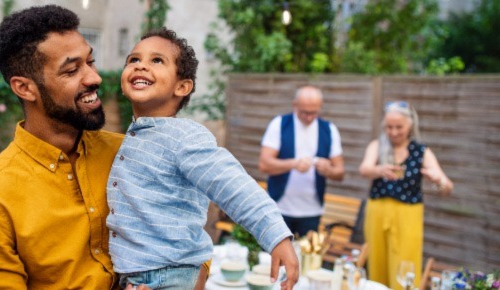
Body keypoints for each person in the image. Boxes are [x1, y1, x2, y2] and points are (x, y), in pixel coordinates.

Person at [0, 6, 207, 289]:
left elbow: (186, 229)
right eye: (72, 70)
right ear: (25, 88)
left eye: (91, 61)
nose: (94, 77)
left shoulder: (131, 152)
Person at [106, 27, 299, 290]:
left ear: (182, 86)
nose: (141, 66)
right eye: (133, 60)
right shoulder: (136, 135)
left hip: (164, 275)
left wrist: (276, 235)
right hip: (141, 275)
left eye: (157, 60)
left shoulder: (184, 137)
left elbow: (232, 185)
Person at [358, 101, 453, 289]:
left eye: (399, 127)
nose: (393, 132)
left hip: (408, 215)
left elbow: (447, 187)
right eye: (389, 127)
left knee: (405, 265)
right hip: (377, 210)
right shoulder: (378, 145)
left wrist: (437, 179)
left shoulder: (421, 151)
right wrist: (379, 170)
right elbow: (364, 169)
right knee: (376, 262)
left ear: (410, 126)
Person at [259, 86, 345, 237]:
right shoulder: (279, 124)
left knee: (307, 259)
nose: (309, 117)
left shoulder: (329, 129)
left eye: (314, 112)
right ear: (295, 105)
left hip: (312, 211)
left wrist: (328, 170)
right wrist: (293, 164)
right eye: (304, 112)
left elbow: (340, 173)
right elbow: (264, 164)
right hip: (278, 208)